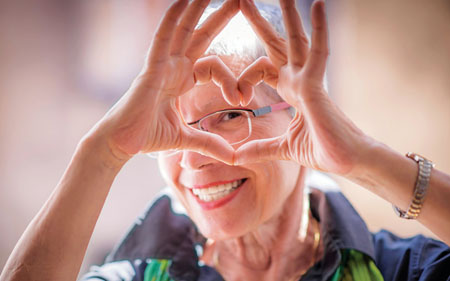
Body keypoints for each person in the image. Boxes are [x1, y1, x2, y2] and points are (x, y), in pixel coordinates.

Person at [1, 0, 450, 280]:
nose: (194, 161)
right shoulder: (134, 277)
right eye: (172, 129)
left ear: (304, 117)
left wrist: (367, 161)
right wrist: (102, 153)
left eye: (230, 114)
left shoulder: (400, 271)